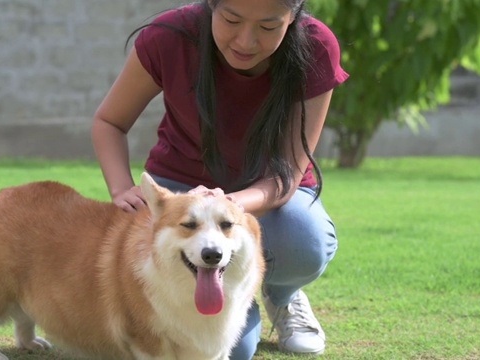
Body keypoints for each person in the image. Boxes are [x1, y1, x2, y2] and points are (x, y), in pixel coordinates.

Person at [92, 0, 348, 358]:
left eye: (269, 26)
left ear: (293, 17)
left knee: (304, 240)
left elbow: (288, 172)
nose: (246, 41)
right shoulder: (168, 38)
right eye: (231, 19)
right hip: (180, 190)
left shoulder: (316, 46)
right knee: (237, 351)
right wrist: (121, 188)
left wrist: (228, 204)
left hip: (269, 195)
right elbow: (110, 122)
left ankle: (282, 296)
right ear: (211, 6)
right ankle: (233, 301)